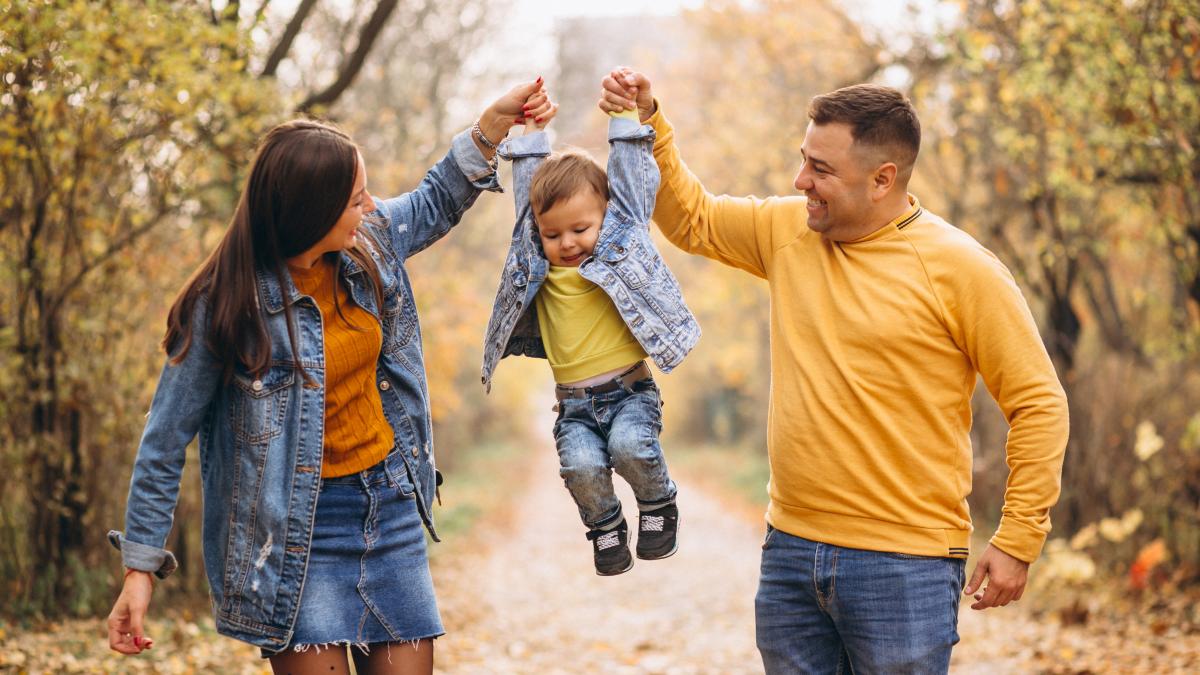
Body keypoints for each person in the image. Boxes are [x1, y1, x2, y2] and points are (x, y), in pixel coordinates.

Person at [600, 67, 1070, 673]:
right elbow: (693, 219)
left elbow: (1038, 402)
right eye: (804, 161)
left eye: (821, 170)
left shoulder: (961, 269)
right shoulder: (788, 230)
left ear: (883, 179)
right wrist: (649, 123)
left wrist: (1018, 539)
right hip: (791, 552)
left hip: (906, 566)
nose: (802, 181)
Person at [105, 78, 556, 675]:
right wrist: (140, 569)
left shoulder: (367, 247)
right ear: (308, 214)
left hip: (387, 506)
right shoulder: (223, 305)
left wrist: (490, 128)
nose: (370, 208)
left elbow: (434, 200)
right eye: (355, 200)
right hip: (294, 531)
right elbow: (164, 442)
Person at [480, 103, 700, 576]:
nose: (567, 243)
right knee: (579, 468)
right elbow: (528, 199)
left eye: (581, 229)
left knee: (630, 448)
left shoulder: (621, 243)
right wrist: (533, 134)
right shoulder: (536, 258)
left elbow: (632, 182)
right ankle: (605, 526)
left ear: (605, 218)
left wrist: (625, 119)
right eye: (553, 233)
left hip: (630, 394)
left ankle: (658, 502)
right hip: (574, 405)